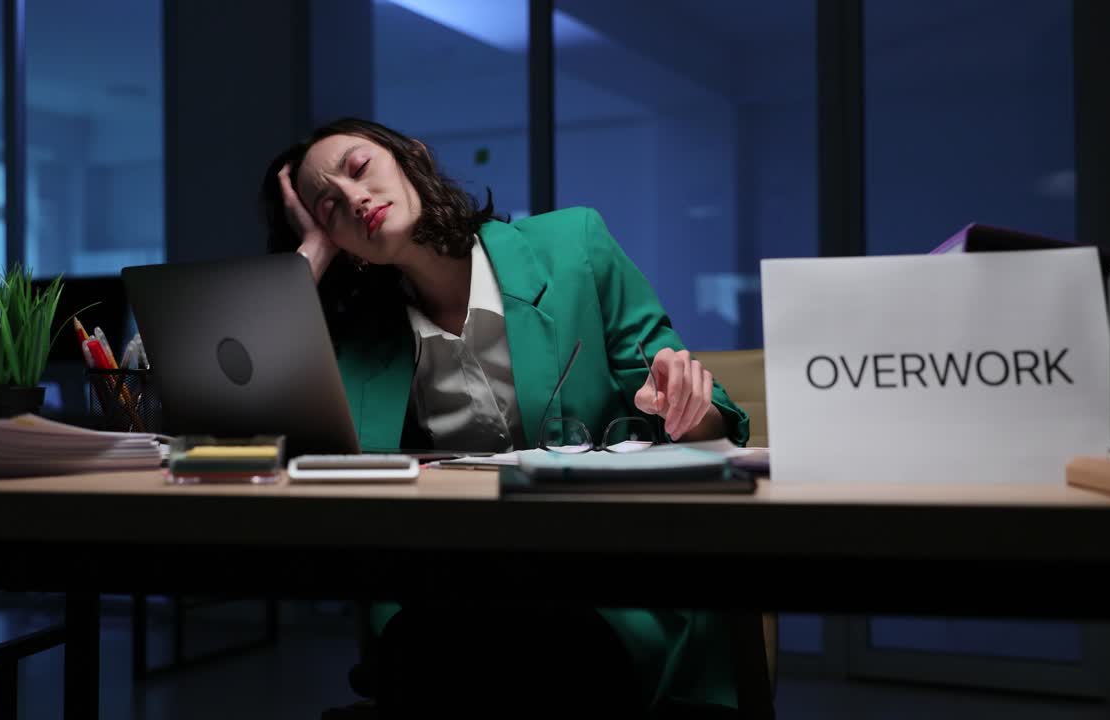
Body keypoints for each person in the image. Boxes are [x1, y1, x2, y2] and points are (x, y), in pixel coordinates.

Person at [261, 118, 751, 717]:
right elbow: (262, 431)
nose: (354, 198)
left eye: (360, 169)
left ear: (410, 156)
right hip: (447, 596)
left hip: (603, 586)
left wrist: (685, 405)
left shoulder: (575, 244)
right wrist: (310, 254)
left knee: (526, 664)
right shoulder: (361, 343)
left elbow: (710, 420)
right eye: (328, 207)